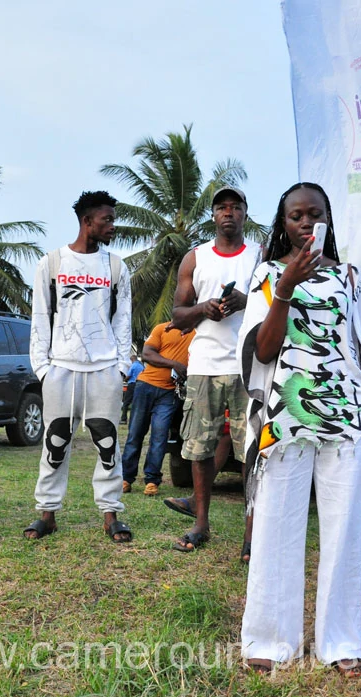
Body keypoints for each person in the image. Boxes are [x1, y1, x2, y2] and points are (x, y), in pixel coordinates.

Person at [239, 182, 361, 677]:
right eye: (296, 216)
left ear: (328, 219)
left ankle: (341, 639)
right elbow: (263, 351)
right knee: (276, 528)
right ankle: (270, 638)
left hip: (346, 416)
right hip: (286, 416)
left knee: (344, 531)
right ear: (282, 223)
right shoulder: (265, 275)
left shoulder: (350, 278)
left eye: (315, 215)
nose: (306, 224)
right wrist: (285, 286)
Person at [23, 190, 133, 543]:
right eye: (107, 220)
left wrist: (120, 368)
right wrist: (43, 368)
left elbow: (124, 321)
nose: (112, 226)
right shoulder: (52, 263)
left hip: (104, 370)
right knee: (54, 444)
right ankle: (47, 514)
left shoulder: (116, 266)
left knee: (108, 444)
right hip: (60, 370)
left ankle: (111, 515)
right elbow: (40, 317)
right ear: (87, 222)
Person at [166, 186, 260, 556]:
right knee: (201, 450)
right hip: (204, 364)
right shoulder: (195, 257)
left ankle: (252, 535)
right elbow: (177, 315)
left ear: (245, 215)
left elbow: (277, 305)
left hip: (250, 365)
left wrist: (246, 302)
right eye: (222, 207)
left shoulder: (260, 256)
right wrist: (205, 308)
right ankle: (201, 523)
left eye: (236, 207)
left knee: (252, 452)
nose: (229, 212)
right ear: (213, 215)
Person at [120, 323, 194, 496]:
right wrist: (174, 364)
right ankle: (125, 478)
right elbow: (147, 354)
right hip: (145, 386)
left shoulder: (199, 333)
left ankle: (152, 480)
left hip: (170, 393)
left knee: (160, 437)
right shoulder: (163, 328)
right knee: (135, 434)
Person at [119, 353, 145, 425]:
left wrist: (124, 379)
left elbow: (128, 376)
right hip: (140, 384)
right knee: (136, 403)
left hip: (132, 385)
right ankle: (135, 420)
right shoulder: (141, 366)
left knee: (126, 403)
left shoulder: (133, 366)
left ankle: (123, 419)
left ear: (131, 360)